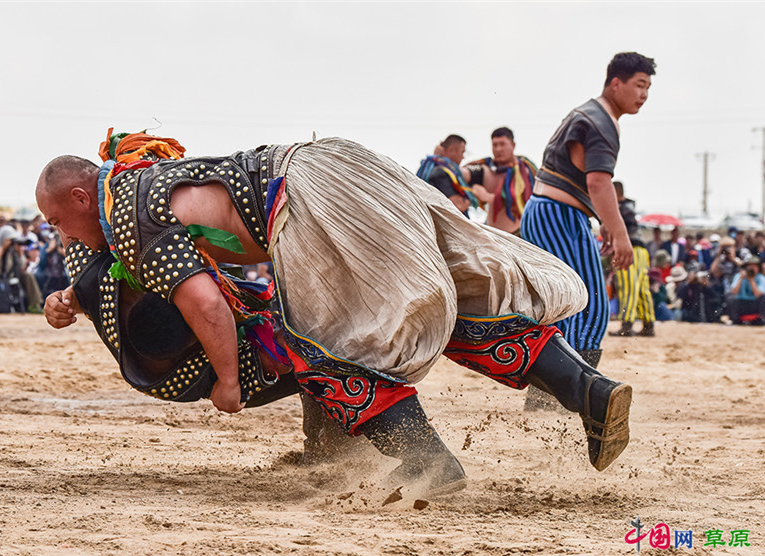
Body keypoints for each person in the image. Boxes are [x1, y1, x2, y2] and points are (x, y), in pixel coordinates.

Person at [36, 132, 635, 494]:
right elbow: (109, 267)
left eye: (58, 220)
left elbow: (202, 300)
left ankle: (429, 465)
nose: (62, 234)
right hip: (340, 166)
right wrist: (68, 297)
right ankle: (588, 389)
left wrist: (225, 381)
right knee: (449, 299)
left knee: (314, 343)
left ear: (82, 197)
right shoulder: (138, 177)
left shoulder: (130, 214)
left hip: (305, 202)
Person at [521, 52, 656, 369]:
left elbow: (581, 175)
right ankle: (573, 392)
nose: (644, 95)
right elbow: (597, 182)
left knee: (567, 305)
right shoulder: (601, 122)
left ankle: (551, 396)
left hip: (549, 212)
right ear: (615, 83)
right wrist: (621, 234)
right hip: (558, 215)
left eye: (648, 87)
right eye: (639, 85)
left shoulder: (590, 113)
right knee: (588, 305)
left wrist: (604, 220)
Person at [465, 127, 537, 235]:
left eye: (502, 144)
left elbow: (521, 199)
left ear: (513, 145)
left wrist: (490, 198)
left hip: (520, 234)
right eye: (495, 145)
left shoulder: (526, 170)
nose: (498, 149)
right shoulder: (484, 168)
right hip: (491, 234)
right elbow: (460, 174)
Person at [608, 181, 655, 337]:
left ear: (616, 193)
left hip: (629, 249)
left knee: (627, 287)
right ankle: (649, 324)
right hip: (641, 250)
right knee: (642, 289)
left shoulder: (620, 209)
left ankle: (627, 325)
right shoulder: (630, 207)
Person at [415, 134, 479, 216]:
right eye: (462, 152)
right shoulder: (441, 172)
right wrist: (474, 193)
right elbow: (457, 205)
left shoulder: (429, 168)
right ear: (452, 150)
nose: (463, 157)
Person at [725, 257, 765, 325]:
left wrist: (751, 280)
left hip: (754, 304)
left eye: (755, 266)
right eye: (750, 266)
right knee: (730, 298)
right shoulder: (738, 276)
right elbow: (734, 292)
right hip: (741, 303)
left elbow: (758, 295)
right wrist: (741, 278)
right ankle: (735, 320)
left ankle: (762, 319)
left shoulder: (762, 278)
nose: (752, 268)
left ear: (759, 268)